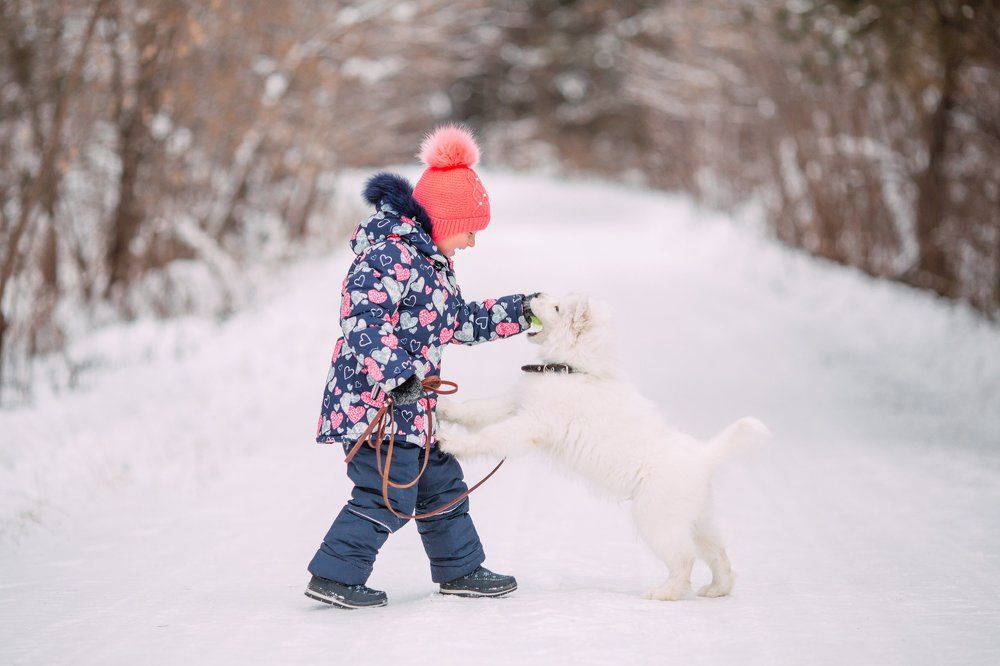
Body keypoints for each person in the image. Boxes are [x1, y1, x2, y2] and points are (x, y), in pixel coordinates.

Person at [305, 125, 541, 609]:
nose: (474, 242)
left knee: (441, 487)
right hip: (375, 404)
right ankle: (334, 576)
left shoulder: (429, 261)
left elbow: (455, 321)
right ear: (443, 217)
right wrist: (399, 378)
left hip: (414, 409)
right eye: (471, 229)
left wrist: (524, 311)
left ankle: (461, 570)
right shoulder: (390, 254)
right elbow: (362, 321)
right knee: (386, 493)